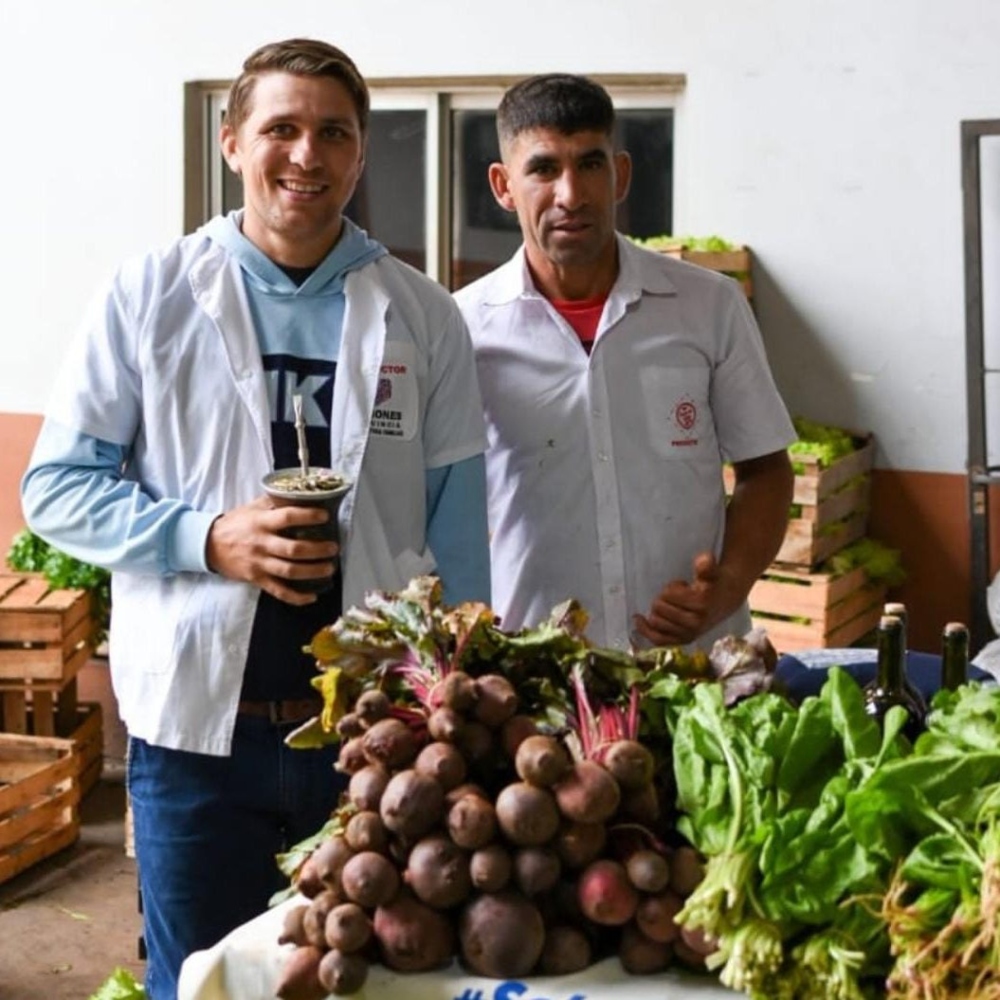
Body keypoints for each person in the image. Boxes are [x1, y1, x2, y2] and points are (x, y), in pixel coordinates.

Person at [21, 38, 489, 1000]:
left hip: (371, 740)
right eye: (280, 128)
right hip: (198, 741)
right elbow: (57, 486)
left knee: (369, 982)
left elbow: (460, 532)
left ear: (360, 155)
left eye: (334, 134)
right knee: (199, 984)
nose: (306, 155)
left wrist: (447, 706)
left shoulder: (422, 314)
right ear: (232, 141)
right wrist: (205, 539)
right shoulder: (149, 295)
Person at [454, 73, 794, 653]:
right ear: (503, 185)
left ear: (621, 175)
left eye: (590, 164)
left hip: (691, 662)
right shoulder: (461, 327)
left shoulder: (708, 306)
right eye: (542, 169)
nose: (570, 194)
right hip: (537, 670)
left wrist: (727, 588)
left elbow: (766, 472)